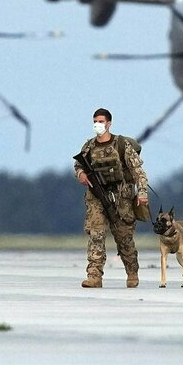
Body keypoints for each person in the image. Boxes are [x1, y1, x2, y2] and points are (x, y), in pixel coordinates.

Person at [74, 108, 149, 288]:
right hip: (96, 197)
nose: (97, 125)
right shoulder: (88, 147)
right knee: (96, 235)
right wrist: (80, 174)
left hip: (121, 198)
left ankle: (132, 272)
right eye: (95, 121)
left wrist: (142, 192)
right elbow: (78, 165)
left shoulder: (121, 145)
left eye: (101, 121)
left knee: (124, 238)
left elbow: (138, 172)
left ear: (109, 123)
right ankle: (94, 276)